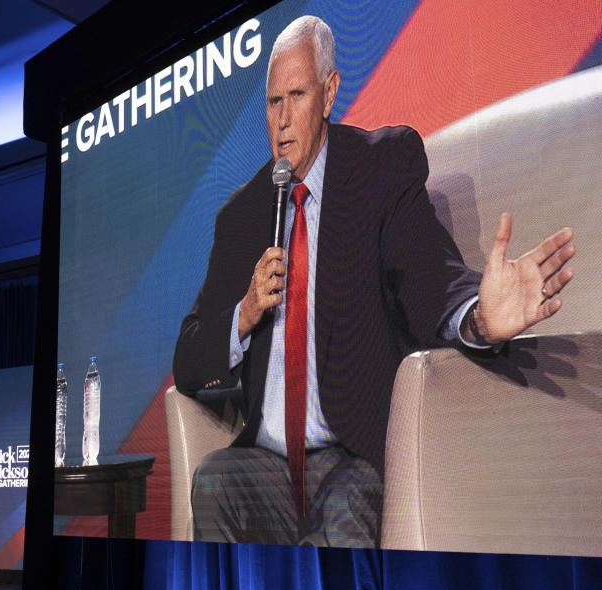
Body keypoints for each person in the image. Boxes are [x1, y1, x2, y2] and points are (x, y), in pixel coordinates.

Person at [172, 15, 576, 547]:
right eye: (274, 103)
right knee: (214, 481)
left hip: (351, 456)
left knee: (344, 517)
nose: (284, 120)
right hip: (266, 464)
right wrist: (244, 314)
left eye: (298, 95)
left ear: (329, 93)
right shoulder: (244, 214)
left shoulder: (379, 168)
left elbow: (428, 276)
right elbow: (189, 357)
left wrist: (478, 316)